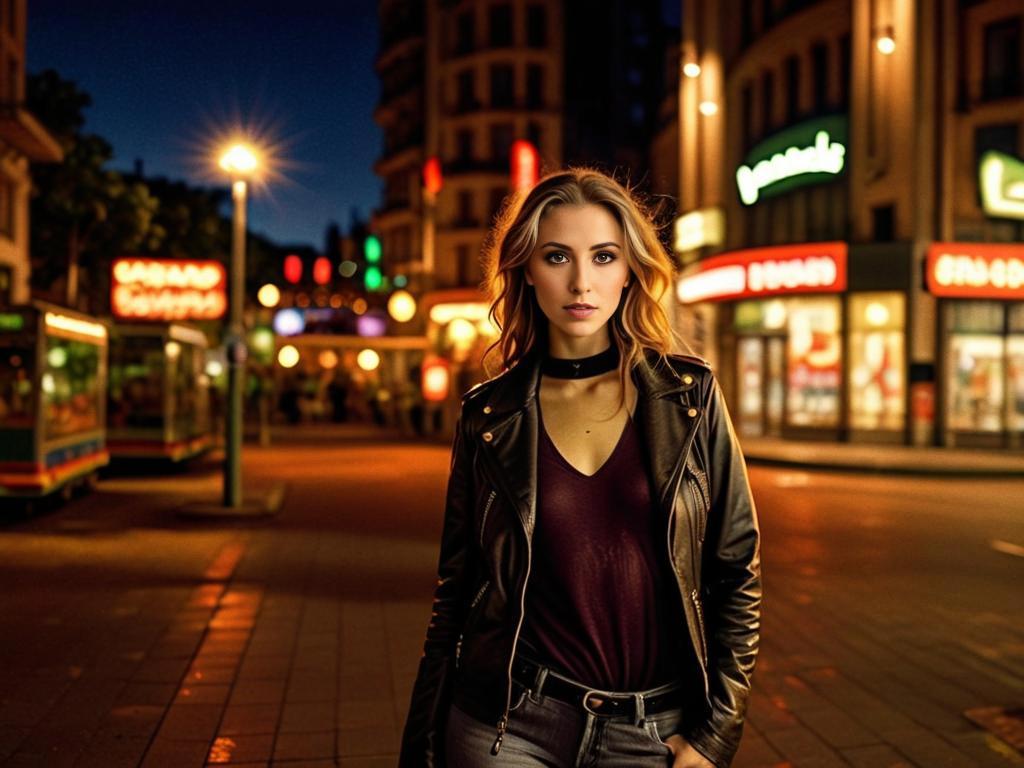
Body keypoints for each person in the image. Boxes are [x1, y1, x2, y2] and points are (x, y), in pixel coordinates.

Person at [400, 169, 761, 768]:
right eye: (557, 256)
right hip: (507, 726)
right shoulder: (489, 414)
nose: (580, 281)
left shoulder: (689, 397)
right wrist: (421, 742)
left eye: (603, 256)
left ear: (630, 271)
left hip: (651, 731)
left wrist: (715, 733)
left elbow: (738, 571)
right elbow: (457, 591)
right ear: (527, 270)